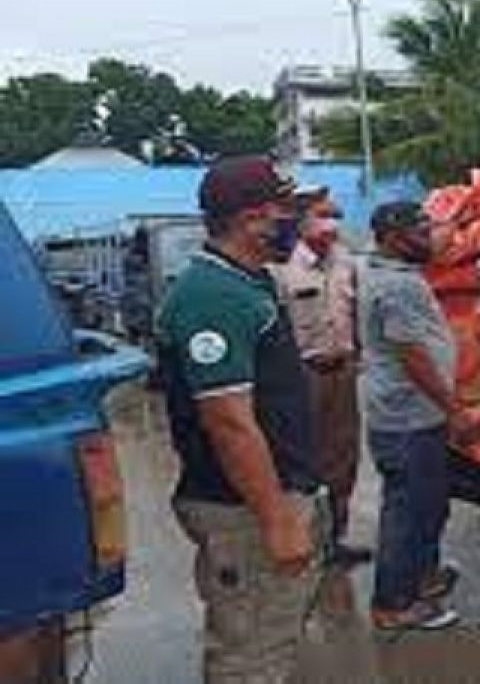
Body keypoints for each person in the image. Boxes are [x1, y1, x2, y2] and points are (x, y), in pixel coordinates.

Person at [157, 156, 324, 683]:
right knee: (250, 651)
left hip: (266, 497)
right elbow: (229, 423)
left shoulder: (247, 283)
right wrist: (278, 520)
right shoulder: (213, 296)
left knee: (270, 637)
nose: (297, 222)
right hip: (244, 510)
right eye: (288, 211)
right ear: (253, 219)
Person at [358, 201, 469, 633]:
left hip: (413, 414)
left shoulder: (390, 268)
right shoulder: (397, 287)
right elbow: (414, 358)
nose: (429, 238)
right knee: (407, 513)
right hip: (407, 418)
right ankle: (392, 604)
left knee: (429, 506)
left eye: (428, 228)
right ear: (393, 236)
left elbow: (438, 246)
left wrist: (463, 219)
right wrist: (454, 410)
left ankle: (423, 577)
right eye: (419, 231)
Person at [274, 190, 372, 567]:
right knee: (303, 462)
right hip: (303, 376)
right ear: (302, 222)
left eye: (335, 215)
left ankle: (336, 539)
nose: (332, 222)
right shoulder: (284, 269)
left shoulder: (346, 263)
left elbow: (357, 312)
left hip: (342, 373)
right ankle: (304, 540)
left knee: (343, 458)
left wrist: (359, 357)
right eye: (322, 215)